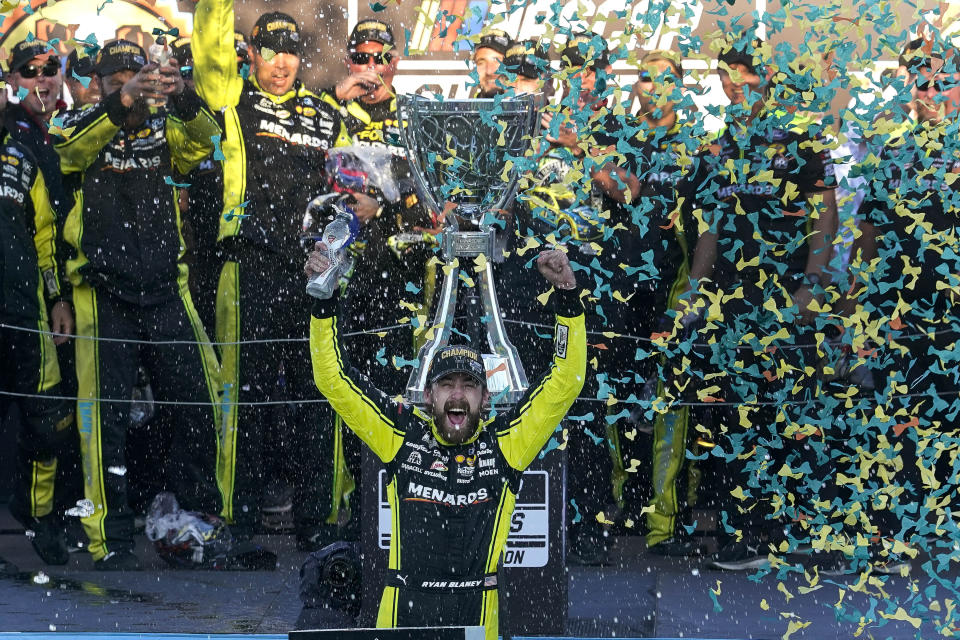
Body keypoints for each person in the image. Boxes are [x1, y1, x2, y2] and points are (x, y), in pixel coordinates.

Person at [305, 243, 585, 640]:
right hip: (403, 618)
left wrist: (567, 298)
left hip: (478, 622)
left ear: (485, 399)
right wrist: (324, 301)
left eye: (469, 385)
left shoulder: (506, 443)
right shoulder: (402, 435)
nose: (457, 394)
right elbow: (332, 379)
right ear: (429, 396)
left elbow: (566, 381)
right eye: (447, 384)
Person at [192, 0, 372, 550]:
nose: (281, 63)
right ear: (250, 54)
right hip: (251, 266)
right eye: (270, 52)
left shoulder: (326, 114)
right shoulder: (231, 103)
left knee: (320, 395)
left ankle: (319, 523)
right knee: (242, 397)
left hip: (314, 271)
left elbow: (355, 186)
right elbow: (208, 57)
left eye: (290, 53)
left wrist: (356, 219)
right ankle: (238, 524)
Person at [54, 39, 224, 570]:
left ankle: (201, 525)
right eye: (118, 77)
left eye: (139, 75)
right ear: (101, 81)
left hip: (166, 287)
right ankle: (110, 539)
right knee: (103, 421)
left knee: (201, 399)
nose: (131, 83)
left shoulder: (164, 123)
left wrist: (184, 97)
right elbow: (68, 152)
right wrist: (120, 102)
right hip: (102, 291)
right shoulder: (78, 120)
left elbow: (206, 143)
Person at [681, 34, 838, 571]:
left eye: (742, 74)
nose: (732, 83)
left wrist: (812, 286)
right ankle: (745, 536)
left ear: (764, 78)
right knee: (733, 419)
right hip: (731, 304)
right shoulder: (721, 143)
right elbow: (712, 227)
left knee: (795, 417)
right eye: (725, 74)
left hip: (787, 298)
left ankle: (806, 538)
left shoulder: (801, 137)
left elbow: (826, 217)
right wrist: (695, 288)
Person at [846, 48, 960, 574]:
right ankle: (900, 541)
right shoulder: (890, 156)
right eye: (921, 84)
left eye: (942, 83)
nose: (930, 95)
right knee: (900, 429)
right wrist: (858, 317)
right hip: (900, 318)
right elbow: (866, 242)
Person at [610, 50, 703, 557]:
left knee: (669, 410)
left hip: (672, 293)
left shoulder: (695, 148)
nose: (655, 86)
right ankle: (625, 509)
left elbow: (703, 234)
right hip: (621, 295)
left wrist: (688, 298)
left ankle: (664, 523)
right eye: (646, 76)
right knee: (619, 406)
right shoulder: (619, 141)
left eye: (668, 79)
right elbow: (619, 202)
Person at [0, 68, 75, 567]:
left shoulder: (22, 155)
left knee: (48, 420)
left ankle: (41, 518)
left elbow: (46, 239)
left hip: (24, 310)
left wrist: (56, 301)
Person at [472, 29, 512, 98]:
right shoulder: (469, 108)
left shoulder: (531, 107)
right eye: (481, 62)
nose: (489, 71)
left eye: (497, 61)